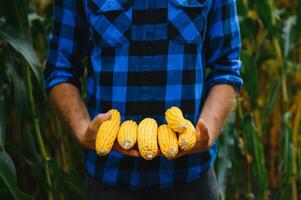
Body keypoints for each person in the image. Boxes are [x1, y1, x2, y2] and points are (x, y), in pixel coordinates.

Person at [44, 0, 242, 199]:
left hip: (191, 179)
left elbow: (226, 67)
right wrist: (81, 129)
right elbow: (61, 69)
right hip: (110, 180)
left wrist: (205, 130)